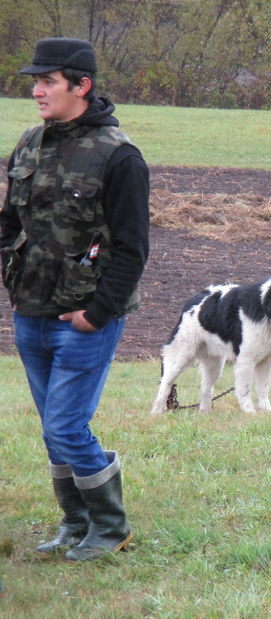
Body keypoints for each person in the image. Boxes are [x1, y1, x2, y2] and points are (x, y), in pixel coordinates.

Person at [0, 37, 150, 561]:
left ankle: (112, 528)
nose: (37, 90)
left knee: (66, 425)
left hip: (83, 318)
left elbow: (133, 249)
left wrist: (98, 312)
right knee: (52, 430)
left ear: (81, 86)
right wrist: (11, 289)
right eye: (34, 82)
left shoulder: (120, 156)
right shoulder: (27, 145)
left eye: (48, 81)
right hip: (30, 313)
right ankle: (75, 523)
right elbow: (9, 226)